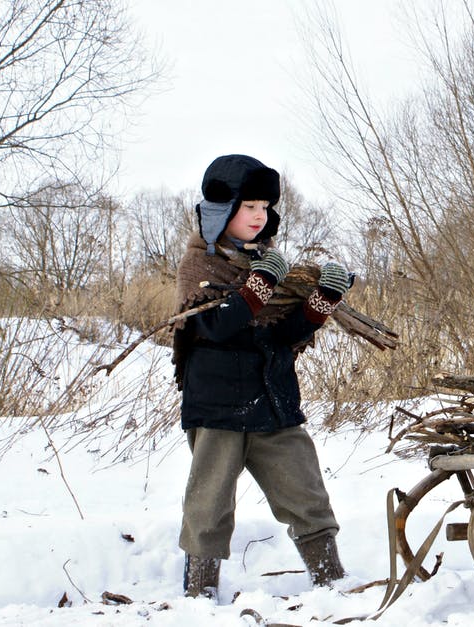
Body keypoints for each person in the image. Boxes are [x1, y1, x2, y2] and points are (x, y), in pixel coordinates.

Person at [171, 154, 351, 600]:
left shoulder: (272, 265)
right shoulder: (200, 265)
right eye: (248, 205)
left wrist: (321, 301)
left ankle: (333, 583)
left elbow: (284, 334)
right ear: (221, 209)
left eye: (265, 207)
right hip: (216, 405)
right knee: (208, 506)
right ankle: (199, 597)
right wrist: (256, 289)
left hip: (273, 400)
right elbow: (213, 327)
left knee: (306, 493)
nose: (259, 215)